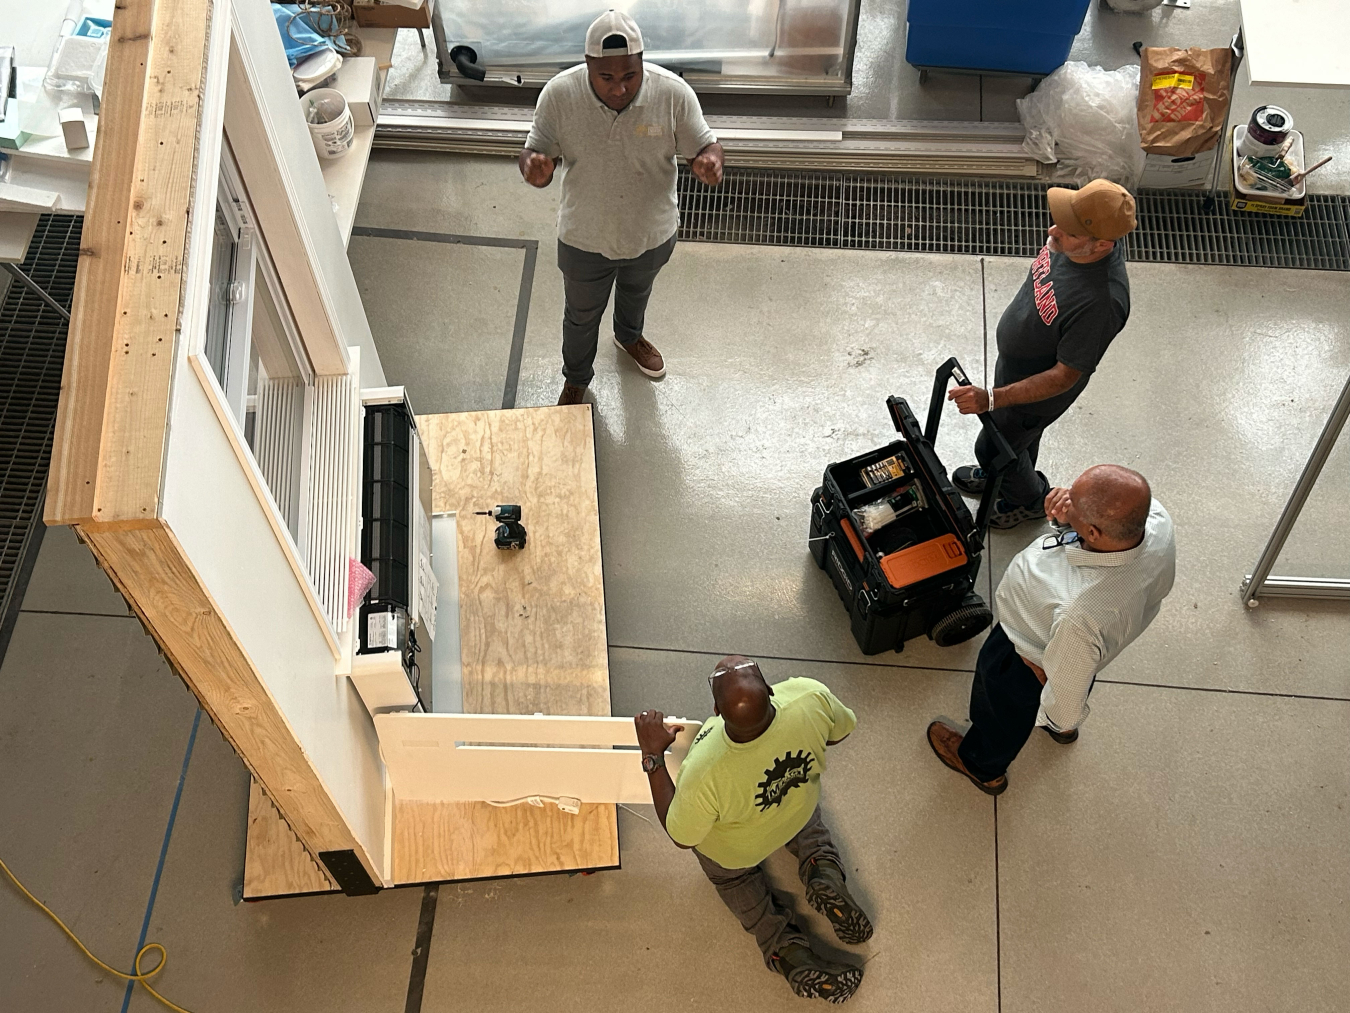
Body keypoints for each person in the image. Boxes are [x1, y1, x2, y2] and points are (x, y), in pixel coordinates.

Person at [926, 465, 1176, 794]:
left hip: (1024, 654)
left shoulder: (1078, 613)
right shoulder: (1155, 519)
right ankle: (1056, 731)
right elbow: (1077, 665)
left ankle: (982, 764)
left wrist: (1055, 708)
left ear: (1094, 533)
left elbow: (1067, 701)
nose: (1065, 500)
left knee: (1004, 710)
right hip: (1076, 648)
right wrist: (1066, 519)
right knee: (1076, 673)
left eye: (1074, 503)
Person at [635, 656, 870, 1003]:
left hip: (737, 851)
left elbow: (682, 836)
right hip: (793, 808)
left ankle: (784, 949)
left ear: (716, 709)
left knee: (735, 880)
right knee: (808, 824)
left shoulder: (705, 765)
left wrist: (652, 756)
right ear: (771, 689)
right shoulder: (809, 696)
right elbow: (838, 732)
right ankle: (823, 871)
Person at [519, 10, 725, 406]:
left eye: (630, 76)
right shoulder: (559, 96)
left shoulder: (673, 94)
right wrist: (534, 168)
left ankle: (629, 336)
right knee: (580, 317)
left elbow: (706, 144)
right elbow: (535, 152)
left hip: (651, 233)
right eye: (606, 78)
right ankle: (577, 378)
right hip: (584, 237)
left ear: (642, 63)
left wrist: (709, 162)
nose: (619, 89)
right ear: (588, 67)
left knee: (637, 292)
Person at [947, 179, 1136, 528]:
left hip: (1036, 392)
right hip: (1016, 367)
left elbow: (1065, 375)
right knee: (1014, 442)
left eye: (1068, 231)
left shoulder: (1102, 301)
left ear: (1101, 245)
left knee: (994, 449)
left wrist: (992, 398)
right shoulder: (1073, 245)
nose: (1053, 231)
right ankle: (1003, 474)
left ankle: (1030, 499)